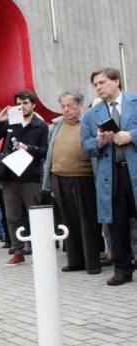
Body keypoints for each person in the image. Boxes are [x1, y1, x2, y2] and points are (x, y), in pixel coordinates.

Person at [81, 67, 137, 286]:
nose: (98, 87)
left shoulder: (134, 101)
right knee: (117, 223)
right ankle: (123, 269)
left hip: (134, 169)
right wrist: (99, 142)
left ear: (116, 81)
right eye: (96, 85)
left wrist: (131, 136)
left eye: (102, 82)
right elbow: (84, 145)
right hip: (111, 175)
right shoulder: (91, 114)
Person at [42, 91, 102, 274]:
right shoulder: (55, 126)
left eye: (70, 105)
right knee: (68, 221)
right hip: (59, 178)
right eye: (63, 106)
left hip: (83, 178)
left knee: (88, 221)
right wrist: (49, 183)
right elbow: (49, 155)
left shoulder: (88, 124)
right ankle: (75, 261)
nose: (66, 109)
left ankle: (93, 263)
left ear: (79, 106)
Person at [0, 90, 49, 265]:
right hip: (10, 176)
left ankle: (40, 248)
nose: (22, 107)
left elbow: (45, 151)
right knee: (12, 216)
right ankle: (18, 251)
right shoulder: (11, 122)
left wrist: (29, 148)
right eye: (19, 104)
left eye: (25, 103)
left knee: (35, 214)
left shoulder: (40, 126)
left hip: (30, 177)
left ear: (33, 105)